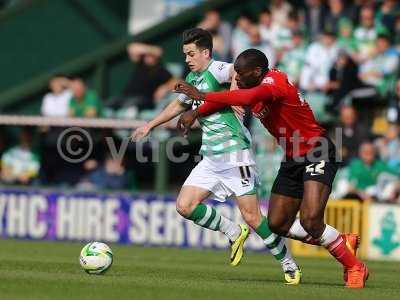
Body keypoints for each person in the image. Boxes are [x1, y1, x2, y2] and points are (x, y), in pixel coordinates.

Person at [175, 48, 369, 288]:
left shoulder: (274, 82)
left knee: (310, 220)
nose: (238, 78)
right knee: (277, 224)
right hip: (292, 157)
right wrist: (195, 111)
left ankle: (354, 266)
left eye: (242, 74)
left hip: (317, 150)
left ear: (257, 71)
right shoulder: (251, 84)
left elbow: (245, 99)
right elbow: (233, 99)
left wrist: (201, 95)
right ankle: (340, 240)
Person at [132, 28, 302, 284]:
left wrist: (234, 91)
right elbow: (179, 105)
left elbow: (236, 70)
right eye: (185, 54)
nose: (187, 59)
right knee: (184, 206)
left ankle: (289, 263)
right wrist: (150, 125)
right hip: (211, 158)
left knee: (254, 216)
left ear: (206, 53)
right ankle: (233, 231)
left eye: (191, 54)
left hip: (236, 155)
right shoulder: (193, 77)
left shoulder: (216, 69)